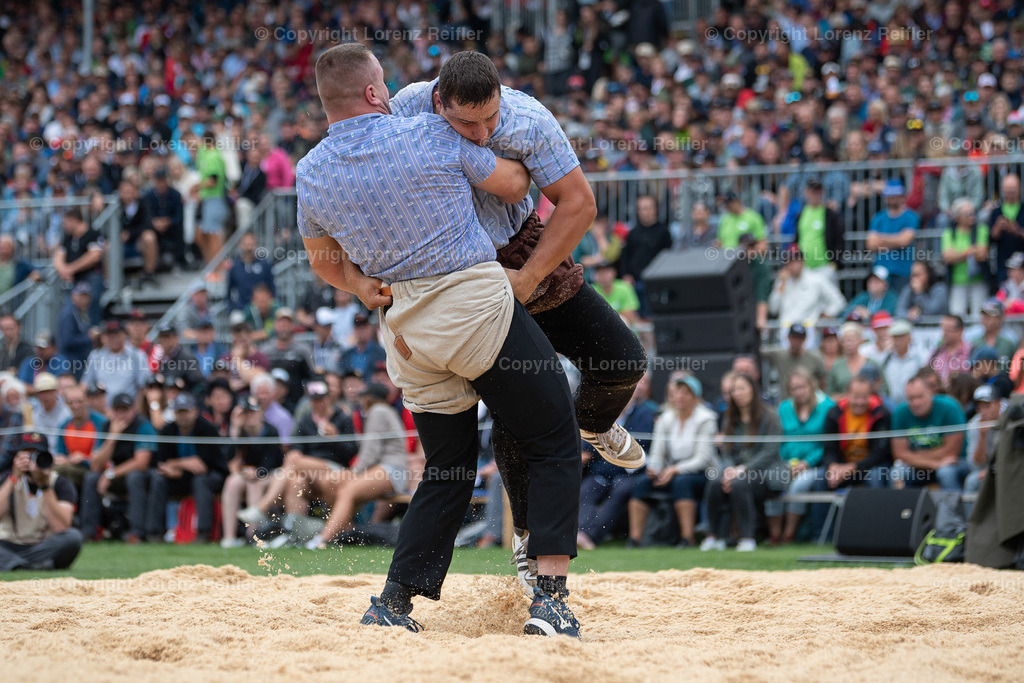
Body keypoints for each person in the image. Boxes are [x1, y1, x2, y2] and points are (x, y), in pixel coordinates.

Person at [300, 45, 586, 637]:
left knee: (448, 468)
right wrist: (517, 147)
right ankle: (551, 601)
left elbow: (326, 265)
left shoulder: (311, 171)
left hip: (404, 330)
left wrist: (359, 284)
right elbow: (512, 186)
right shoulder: (427, 135)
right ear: (377, 93)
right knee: (555, 431)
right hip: (470, 307)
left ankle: (393, 604)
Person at [390, 49, 647, 593]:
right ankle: (531, 543)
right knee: (519, 412)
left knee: (622, 360)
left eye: (490, 118)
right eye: (467, 122)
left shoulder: (528, 119)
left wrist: (529, 276)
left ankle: (594, 422)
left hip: (522, 251)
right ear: (439, 101)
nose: (483, 133)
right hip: (454, 275)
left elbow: (577, 204)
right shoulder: (405, 110)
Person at [304, 383, 410, 550]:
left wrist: (354, 473)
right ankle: (347, 533)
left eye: (363, 397)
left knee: (347, 490)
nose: (360, 400)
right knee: (330, 482)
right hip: (383, 469)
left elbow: (371, 451)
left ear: (369, 398)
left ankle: (323, 539)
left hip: (391, 470)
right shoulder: (383, 411)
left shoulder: (378, 411)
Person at [626, 372, 716, 549]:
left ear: (695, 397)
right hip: (670, 472)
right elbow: (658, 452)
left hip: (701, 473)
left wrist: (674, 470)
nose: (680, 396)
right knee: (641, 483)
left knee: (682, 482)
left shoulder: (706, 419)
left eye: (686, 392)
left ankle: (687, 538)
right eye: (677, 392)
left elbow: (702, 459)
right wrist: (655, 469)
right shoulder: (665, 418)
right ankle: (635, 539)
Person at [701, 373, 784, 552]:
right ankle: (713, 536)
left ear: (753, 390)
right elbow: (727, 450)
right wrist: (730, 468)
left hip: (766, 473)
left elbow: (769, 452)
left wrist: (743, 469)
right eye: (734, 390)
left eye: (741, 388)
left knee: (740, 484)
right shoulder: (729, 417)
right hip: (737, 471)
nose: (737, 393)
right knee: (715, 482)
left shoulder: (771, 417)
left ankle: (747, 537)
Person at [576, 373, 658, 550]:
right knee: (587, 491)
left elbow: (636, 446)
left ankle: (591, 536)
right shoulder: (602, 412)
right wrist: (606, 450)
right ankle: (580, 533)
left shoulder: (644, 413)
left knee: (619, 493)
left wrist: (601, 451)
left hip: (629, 472)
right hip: (601, 471)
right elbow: (587, 442)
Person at [148, 393, 226, 544]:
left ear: (195, 411)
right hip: (177, 477)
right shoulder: (168, 430)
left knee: (200, 481)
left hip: (210, 476)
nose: (183, 416)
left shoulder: (208, 429)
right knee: (157, 479)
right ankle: (154, 533)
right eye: (179, 412)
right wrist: (182, 464)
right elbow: (160, 463)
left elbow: (202, 466)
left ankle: (203, 533)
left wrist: (175, 464)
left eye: (186, 411)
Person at [79, 393, 157, 543]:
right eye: (117, 410)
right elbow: (95, 465)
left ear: (133, 409)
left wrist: (110, 474)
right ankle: (88, 533)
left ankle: (136, 532)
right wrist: (112, 437)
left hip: (143, 475)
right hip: (116, 475)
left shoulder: (143, 426)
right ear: (112, 411)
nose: (121, 415)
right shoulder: (107, 426)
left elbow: (141, 463)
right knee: (91, 478)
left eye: (125, 410)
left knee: (135, 477)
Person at [768, 368, 834, 544]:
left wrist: (807, 463)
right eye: (794, 388)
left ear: (811, 386)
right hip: (785, 463)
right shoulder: (784, 408)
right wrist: (785, 464)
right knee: (773, 479)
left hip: (815, 465)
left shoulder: (827, 407)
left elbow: (828, 444)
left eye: (802, 387)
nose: (799, 392)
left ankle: (789, 534)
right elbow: (778, 440)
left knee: (799, 484)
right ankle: (775, 534)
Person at [0, 433, 82, 571]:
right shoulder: (7, 480)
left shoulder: (60, 483)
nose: (31, 461)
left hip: (42, 545)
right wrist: (13, 478)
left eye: (36, 455)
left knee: (73, 537)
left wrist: (44, 486)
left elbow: (61, 527)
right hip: (10, 543)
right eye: (26, 455)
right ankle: (31, 566)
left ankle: (16, 565)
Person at [220, 396, 282, 548]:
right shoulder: (240, 432)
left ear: (260, 413)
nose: (251, 417)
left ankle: (253, 535)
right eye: (247, 413)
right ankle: (229, 537)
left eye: (253, 412)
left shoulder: (270, 430)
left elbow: (272, 461)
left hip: (270, 474)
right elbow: (228, 457)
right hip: (247, 473)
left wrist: (258, 472)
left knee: (255, 484)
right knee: (231, 482)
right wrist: (234, 428)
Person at [891, 375, 968, 491]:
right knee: (896, 473)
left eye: (920, 397)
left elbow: (951, 452)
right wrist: (934, 464)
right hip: (924, 465)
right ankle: (903, 508)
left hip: (955, 463)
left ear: (931, 392)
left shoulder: (950, 407)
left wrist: (912, 457)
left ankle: (953, 508)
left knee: (946, 472)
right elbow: (900, 454)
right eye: (911, 398)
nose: (916, 403)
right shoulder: (900, 413)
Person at [821, 376, 894, 490]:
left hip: (871, 465)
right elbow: (829, 448)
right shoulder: (834, 414)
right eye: (856, 397)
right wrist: (832, 466)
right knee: (822, 478)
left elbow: (880, 453)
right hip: (842, 464)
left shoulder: (881, 415)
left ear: (871, 396)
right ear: (847, 395)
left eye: (864, 397)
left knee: (875, 476)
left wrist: (852, 468)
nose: (860, 402)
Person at [768, 247, 846, 346]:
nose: (792, 264)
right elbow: (773, 309)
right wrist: (781, 285)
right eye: (789, 261)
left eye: (795, 260)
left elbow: (839, 301)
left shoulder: (816, 279)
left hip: (809, 332)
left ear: (802, 261)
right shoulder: (782, 281)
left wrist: (826, 316)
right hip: (785, 332)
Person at [618, 194, 672, 318]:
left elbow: (667, 257)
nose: (644, 212)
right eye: (641, 209)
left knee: (651, 317)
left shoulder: (663, 232)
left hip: (655, 283)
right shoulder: (633, 233)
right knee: (635, 318)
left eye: (647, 208)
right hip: (634, 282)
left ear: (655, 209)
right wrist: (626, 274)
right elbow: (625, 256)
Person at [866, 179, 919, 294]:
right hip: (881, 271)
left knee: (899, 306)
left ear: (902, 196)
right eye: (890, 196)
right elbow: (871, 243)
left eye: (895, 196)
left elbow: (904, 241)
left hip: (902, 271)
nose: (892, 199)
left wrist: (881, 239)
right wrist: (896, 239)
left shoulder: (911, 216)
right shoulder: (879, 217)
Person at [81, 320, 151, 404]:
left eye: (116, 335)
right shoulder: (96, 356)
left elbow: (144, 387)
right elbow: (85, 384)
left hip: (127, 407)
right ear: (104, 337)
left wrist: (136, 411)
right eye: (110, 335)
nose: (113, 338)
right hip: (102, 409)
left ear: (124, 335)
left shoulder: (137, 355)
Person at [942, 197, 991, 318]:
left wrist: (958, 254)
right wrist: (969, 252)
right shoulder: (949, 233)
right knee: (957, 316)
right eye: (968, 214)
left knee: (978, 317)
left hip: (978, 280)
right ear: (958, 217)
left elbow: (982, 254)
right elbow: (947, 257)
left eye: (973, 213)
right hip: (957, 281)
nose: (972, 216)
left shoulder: (982, 229)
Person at [52, 385, 107, 490]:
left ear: (87, 401)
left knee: (60, 471)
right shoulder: (64, 426)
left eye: (79, 401)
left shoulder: (100, 423)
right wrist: (66, 459)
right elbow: (60, 453)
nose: (75, 406)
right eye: (71, 403)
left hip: (95, 469)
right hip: (72, 467)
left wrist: (84, 459)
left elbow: (100, 455)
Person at [793, 177, 844, 278]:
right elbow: (797, 239)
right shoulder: (801, 214)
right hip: (805, 268)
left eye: (818, 191)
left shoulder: (830, 214)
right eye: (812, 191)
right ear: (806, 192)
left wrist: (834, 263)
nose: (815, 194)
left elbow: (839, 240)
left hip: (825, 267)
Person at [761, 324, 827, 399]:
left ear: (804, 339)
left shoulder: (815, 358)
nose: (796, 342)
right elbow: (760, 352)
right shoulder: (779, 355)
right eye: (794, 338)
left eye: (799, 339)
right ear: (788, 337)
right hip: (786, 402)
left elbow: (823, 379)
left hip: (809, 403)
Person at [827, 322, 887, 398]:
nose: (848, 343)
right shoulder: (837, 365)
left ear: (860, 340)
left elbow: (884, 389)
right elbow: (830, 392)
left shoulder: (872, 363)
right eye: (845, 340)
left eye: (852, 340)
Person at [142, 167, 185, 269]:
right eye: (159, 181)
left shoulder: (175, 195)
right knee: (148, 234)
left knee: (179, 229)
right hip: (154, 227)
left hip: (171, 228)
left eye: (163, 180)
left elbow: (179, 216)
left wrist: (168, 221)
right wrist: (155, 222)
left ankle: (180, 259)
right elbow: (146, 215)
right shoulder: (148, 196)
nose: (161, 183)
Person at [879, 320, 929, 404]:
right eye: (895, 338)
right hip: (891, 404)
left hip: (913, 404)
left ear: (909, 338)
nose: (898, 341)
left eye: (901, 337)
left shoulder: (919, 358)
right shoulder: (886, 359)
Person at [226, 232, 275, 311]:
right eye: (246, 244)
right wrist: (231, 309)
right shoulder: (235, 267)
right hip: (242, 308)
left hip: (262, 309)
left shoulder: (265, 265)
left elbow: (272, 287)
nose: (249, 248)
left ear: (256, 245)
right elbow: (229, 291)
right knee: (236, 319)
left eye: (251, 244)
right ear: (240, 246)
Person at [57, 282, 95, 377]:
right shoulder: (69, 314)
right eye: (81, 296)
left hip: (78, 360)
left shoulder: (81, 312)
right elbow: (68, 340)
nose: (85, 300)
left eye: (86, 297)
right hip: (71, 361)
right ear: (73, 296)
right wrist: (89, 337)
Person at [928, 315, 973, 387]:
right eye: (943, 329)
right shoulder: (937, 351)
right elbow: (927, 373)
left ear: (960, 331)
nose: (944, 333)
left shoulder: (971, 351)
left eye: (948, 330)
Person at [338, 313, 387, 378]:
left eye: (364, 327)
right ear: (354, 330)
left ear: (371, 329)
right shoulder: (345, 355)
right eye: (358, 327)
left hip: (373, 387)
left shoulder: (381, 353)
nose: (361, 331)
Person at [593, 260, 640, 326]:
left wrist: (602, 316)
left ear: (614, 272)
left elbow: (629, 316)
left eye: (606, 271)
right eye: (600, 272)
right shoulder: (592, 290)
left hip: (625, 332)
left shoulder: (625, 287)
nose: (603, 275)